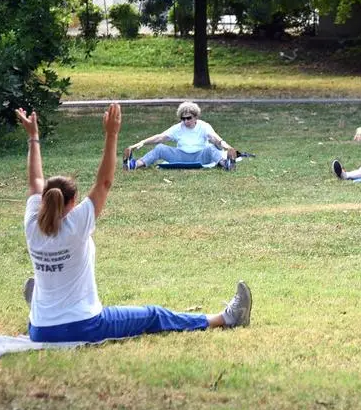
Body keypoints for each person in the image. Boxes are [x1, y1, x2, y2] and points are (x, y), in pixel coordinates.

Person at [16, 104, 252, 343]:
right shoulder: (77, 223)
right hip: (84, 326)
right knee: (154, 315)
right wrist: (111, 135)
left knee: (50, 288)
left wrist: (33, 137)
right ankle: (226, 318)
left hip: (40, 329)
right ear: (73, 201)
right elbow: (104, 183)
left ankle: (40, 301)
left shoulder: (32, 224)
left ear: (42, 200)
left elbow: (35, 180)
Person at [122, 101, 238, 171]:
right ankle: (133, 165)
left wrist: (227, 147)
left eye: (189, 118)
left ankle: (226, 164)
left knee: (212, 148)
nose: (186, 121)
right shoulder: (178, 127)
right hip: (180, 156)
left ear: (195, 117)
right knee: (160, 148)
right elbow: (160, 137)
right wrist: (142, 142)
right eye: (183, 118)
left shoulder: (204, 126)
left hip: (201, 156)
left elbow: (216, 139)